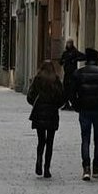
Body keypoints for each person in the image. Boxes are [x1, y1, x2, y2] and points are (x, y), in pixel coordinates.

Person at [69, 47, 98, 178]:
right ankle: (96, 166)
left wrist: (76, 106)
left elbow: (72, 92)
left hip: (84, 109)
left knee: (85, 139)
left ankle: (86, 168)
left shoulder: (79, 73)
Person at [26, 50, 67, 179]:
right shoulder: (56, 80)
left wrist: (36, 104)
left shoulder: (37, 79)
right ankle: (47, 168)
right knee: (50, 142)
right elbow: (62, 97)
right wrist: (55, 106)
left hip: (39, 113)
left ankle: (39, 160)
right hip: (52, 114)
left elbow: (29, 96)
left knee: (41, 141)